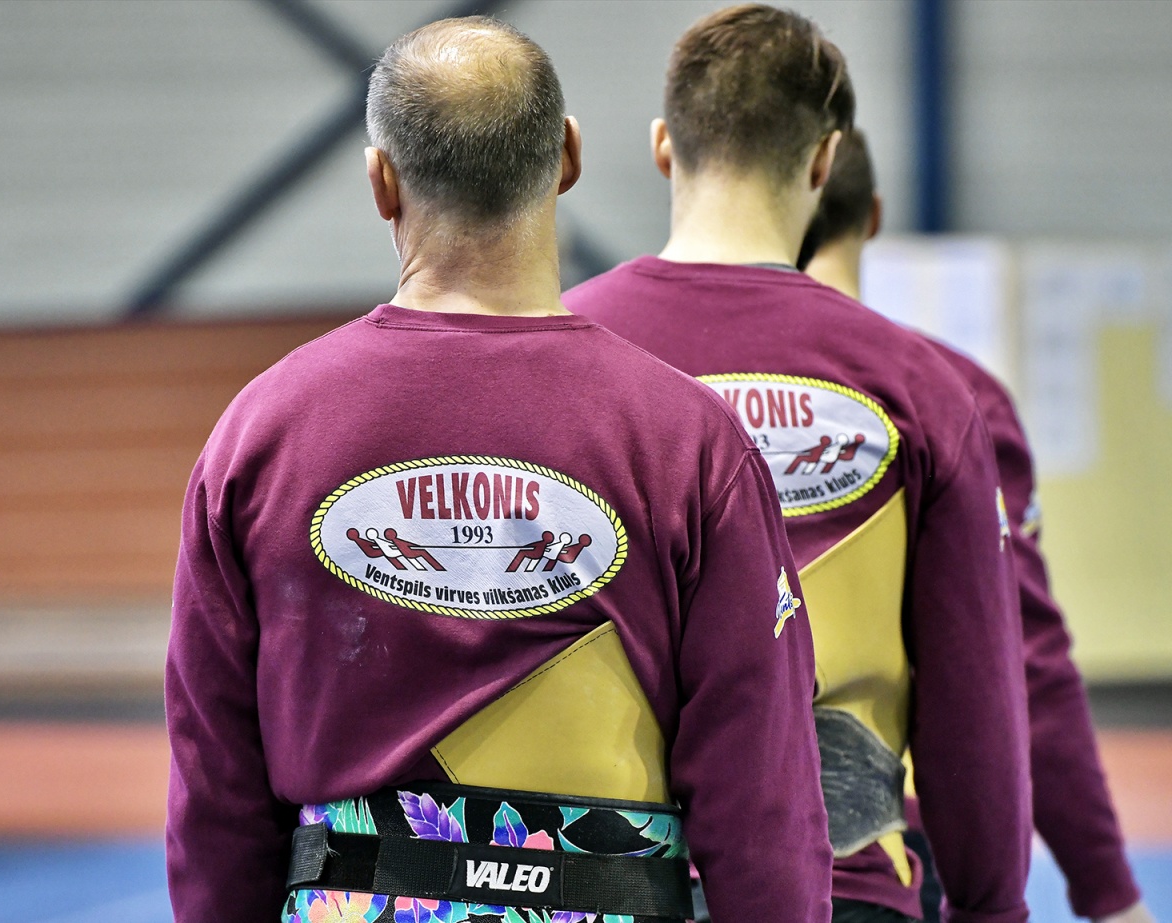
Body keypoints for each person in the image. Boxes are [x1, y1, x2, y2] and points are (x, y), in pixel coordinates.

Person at [165, 15, 832, 923]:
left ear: (380, 180)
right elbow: (762, 795)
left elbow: (214, 784)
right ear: (568, 157)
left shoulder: (262, 434)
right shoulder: (691, 442)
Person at [563, 6, 1032, 923]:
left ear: (664, 147)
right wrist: (991, 905)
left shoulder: (559, 356)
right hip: (842, 886)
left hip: (597, 884)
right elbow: (973, 696)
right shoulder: (920, 387)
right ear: (824, 161)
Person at [801, 126, 1155, 923]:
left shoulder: (660, 377)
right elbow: (1024, 661)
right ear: (872, 216)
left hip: (676, 855)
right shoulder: (948, 393)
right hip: (886, 860)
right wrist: (1109, 891)